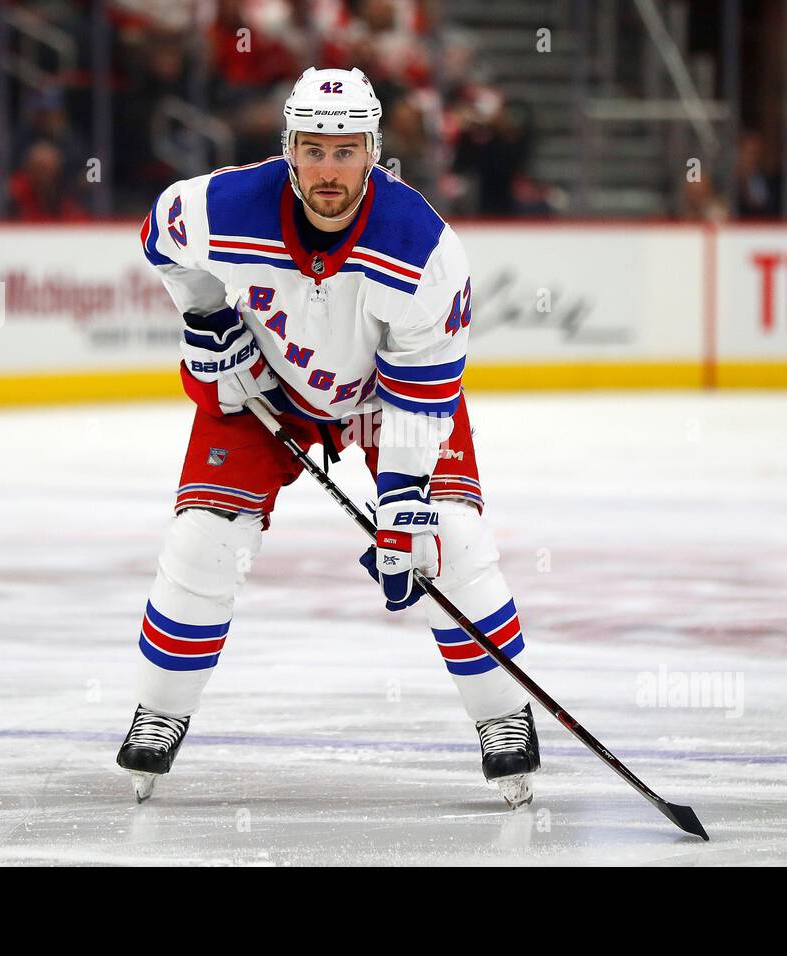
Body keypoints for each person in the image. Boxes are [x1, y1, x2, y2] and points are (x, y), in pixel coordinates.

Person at [116, 67, 540, 808]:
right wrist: (207, 316)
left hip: (387, 398)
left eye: (345, 152)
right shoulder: (226, 206)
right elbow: (161, 235)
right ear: (289, 150)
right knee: (203, 542)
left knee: (452, 540)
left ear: (373, 151)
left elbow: (421, 402)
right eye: (313, 151)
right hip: (267, 390)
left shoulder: (423, 248)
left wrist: (404, 515)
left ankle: (504, 718)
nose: (329, 170)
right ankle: (161, 708)